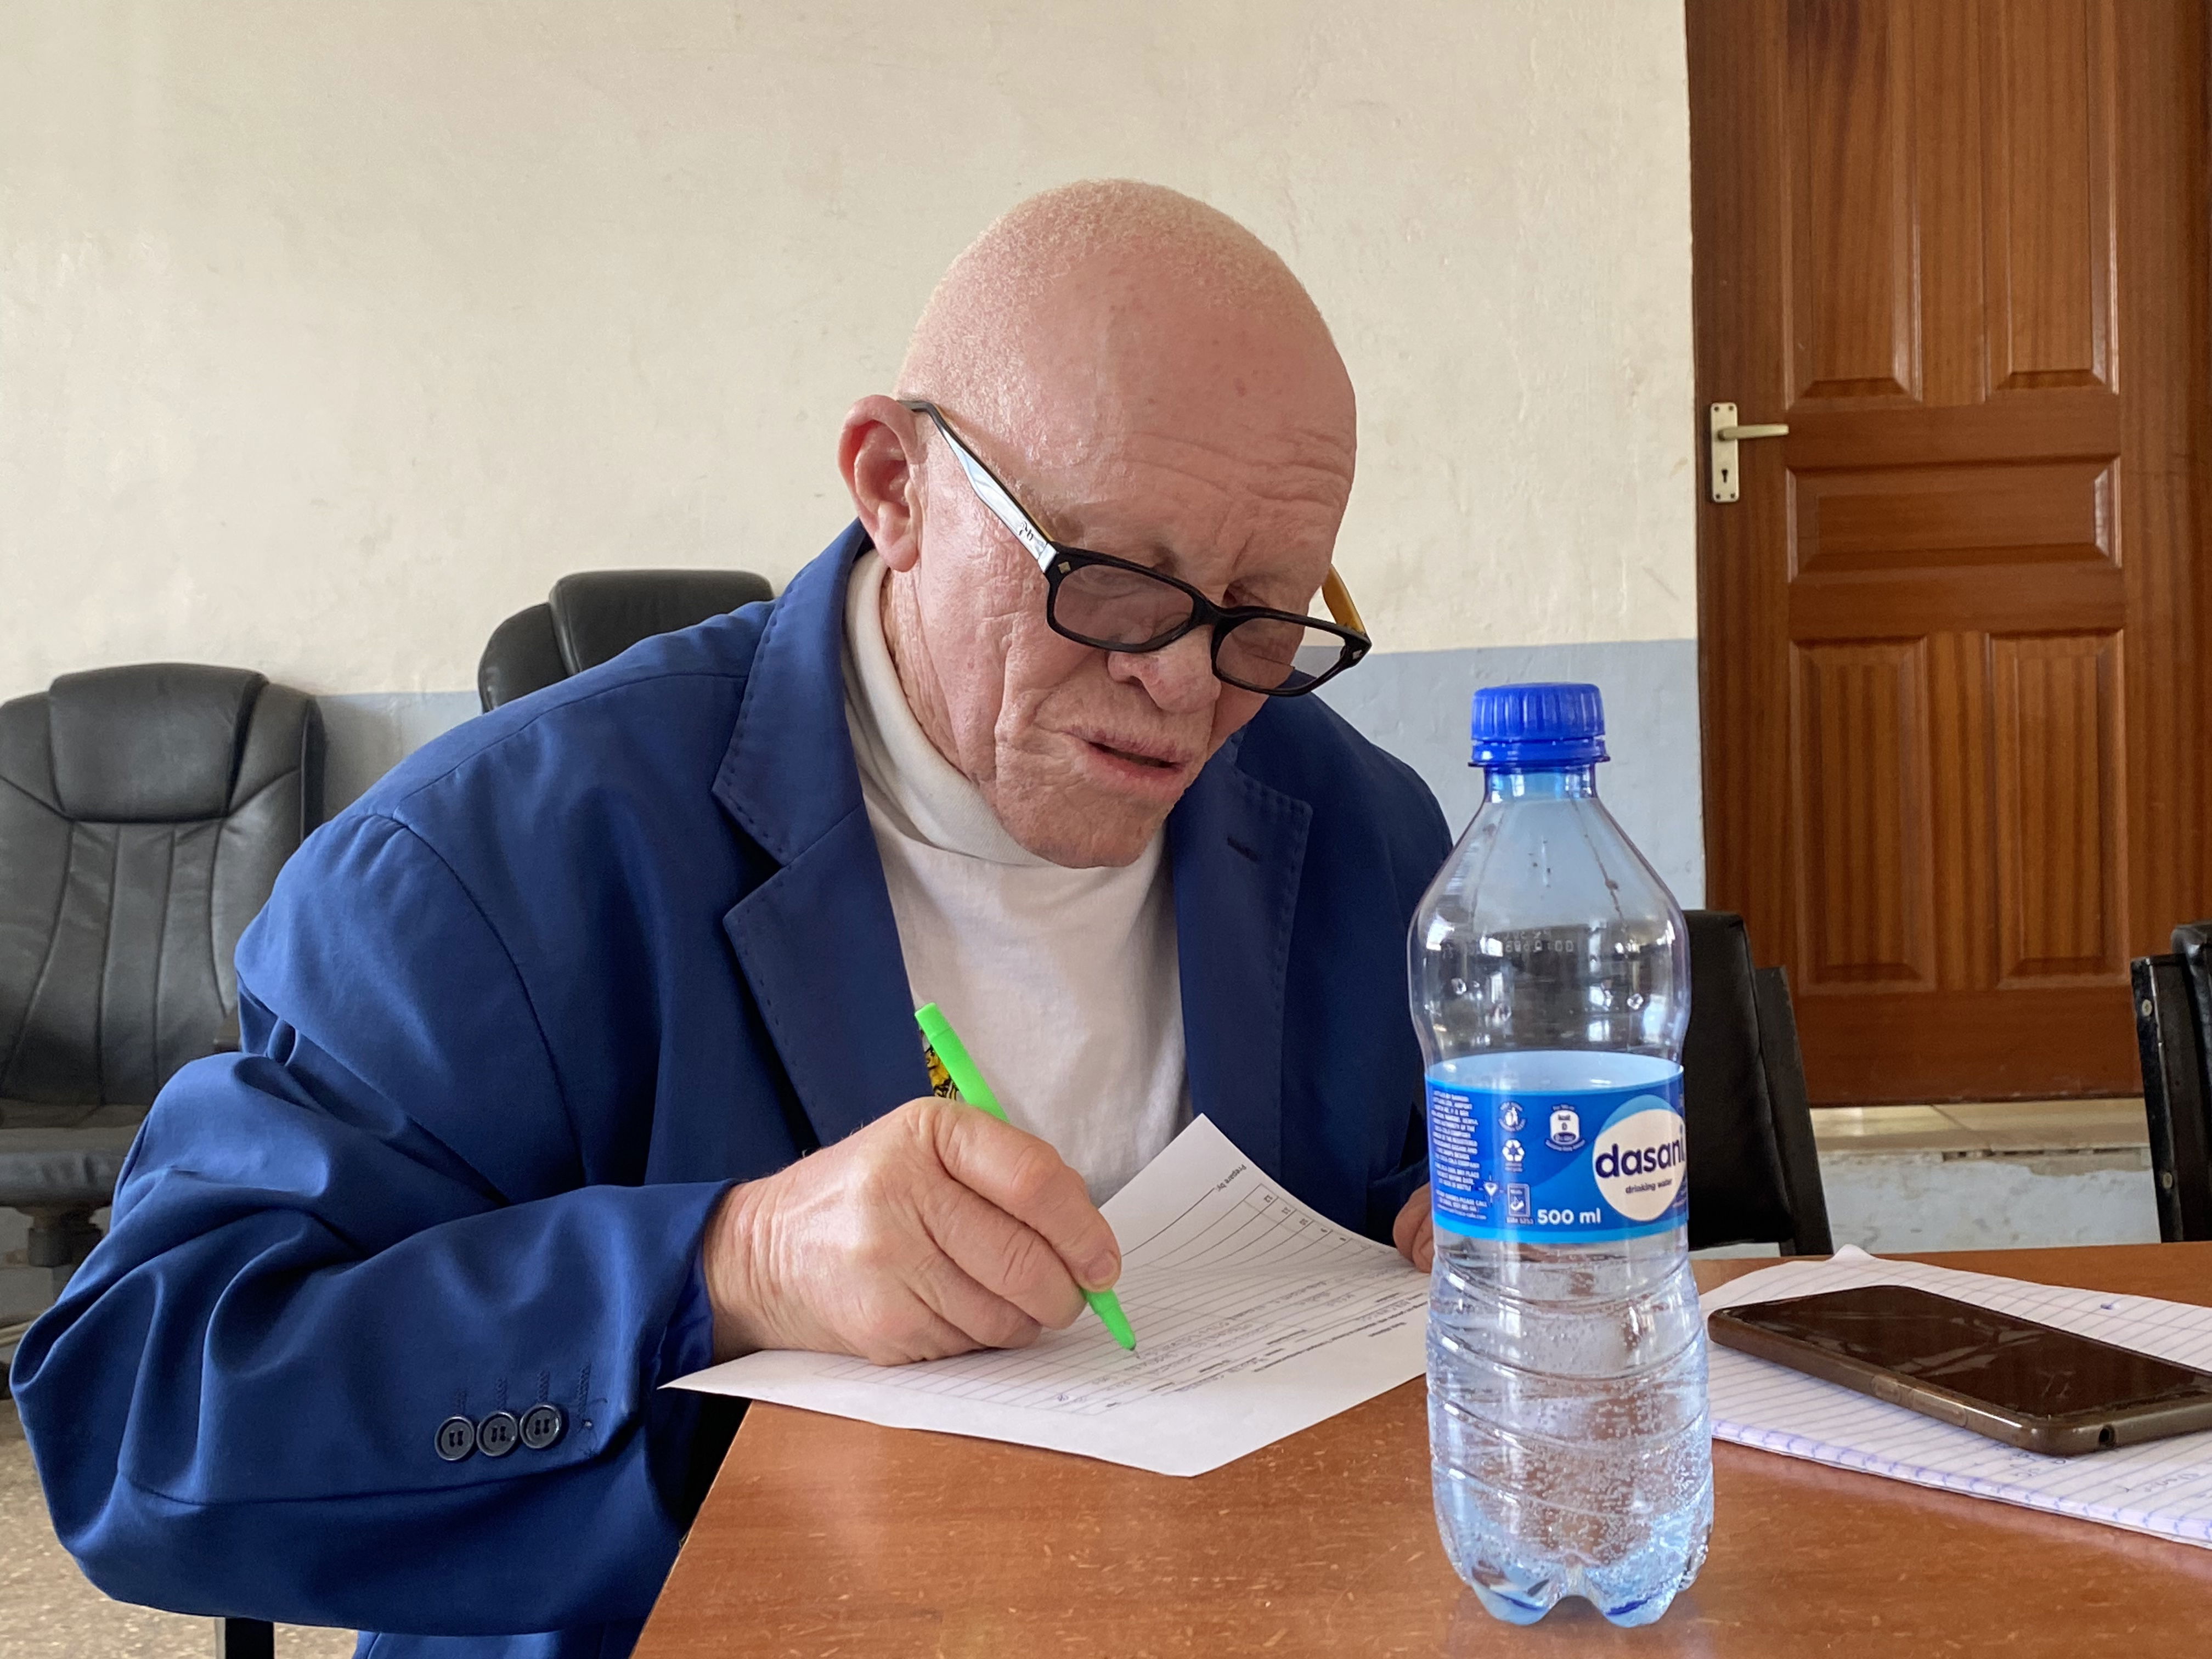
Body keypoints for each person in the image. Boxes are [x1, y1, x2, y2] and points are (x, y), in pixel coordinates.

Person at [13, 180, 1449, 1659]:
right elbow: (139, 1417)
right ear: (895, 485)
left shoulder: (1351, 822)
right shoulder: (486, 865)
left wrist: (1452, 1210)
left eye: (1266, 616)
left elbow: (1401, 1162)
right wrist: (729, 1269)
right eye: (1114, 586)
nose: (1190, 687)